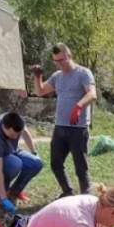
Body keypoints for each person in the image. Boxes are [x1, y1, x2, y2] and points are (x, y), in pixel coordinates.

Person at [31, 43, 97, 198]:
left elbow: (92, 94)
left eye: (61, 60)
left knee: (80, 166)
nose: (58, 64)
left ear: (69, 56)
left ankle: (86, 197)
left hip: (78, 128)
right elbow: (40, 91)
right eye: (55, 61)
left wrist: (78, 107)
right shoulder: (57, 76)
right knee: (55, 163)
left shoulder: (83, 73)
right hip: (60, 127)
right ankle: (68, 192)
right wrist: (37, 77)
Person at [0, 111, 43, 214]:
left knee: (36, 163)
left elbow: (25, 132)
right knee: (14, 164)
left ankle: (15, 191)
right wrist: (3, 198)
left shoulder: (17, 120)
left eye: (18, 134)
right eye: (13, 134)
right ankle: (2, 194)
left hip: (11, 151)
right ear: (4, 127)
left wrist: (33, 152)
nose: (16, 137)